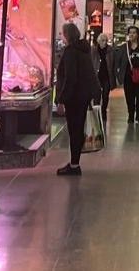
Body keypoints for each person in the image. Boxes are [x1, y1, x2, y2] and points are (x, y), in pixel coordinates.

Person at [55, 23, 99, 176]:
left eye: (62, 33)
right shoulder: (84, 50)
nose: (61, 36)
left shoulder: (71, 52)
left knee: (74, 131)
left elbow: (70, 78)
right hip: (83, 96)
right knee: (78, 130)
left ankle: (74, 165)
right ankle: (75, 162)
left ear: (67, 35)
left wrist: (61, 100)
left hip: (74, 98)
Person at [93, 33, 113, 125]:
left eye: (106, 40)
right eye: (102, 40)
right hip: (96, 77)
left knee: (105, 95)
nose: (104, 42)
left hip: (106, 76)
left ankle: (103, 111)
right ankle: (96, 113)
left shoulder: (110, 50)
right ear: (99, 41)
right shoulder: (93, 50)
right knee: (97, 96)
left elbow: (113, 62)